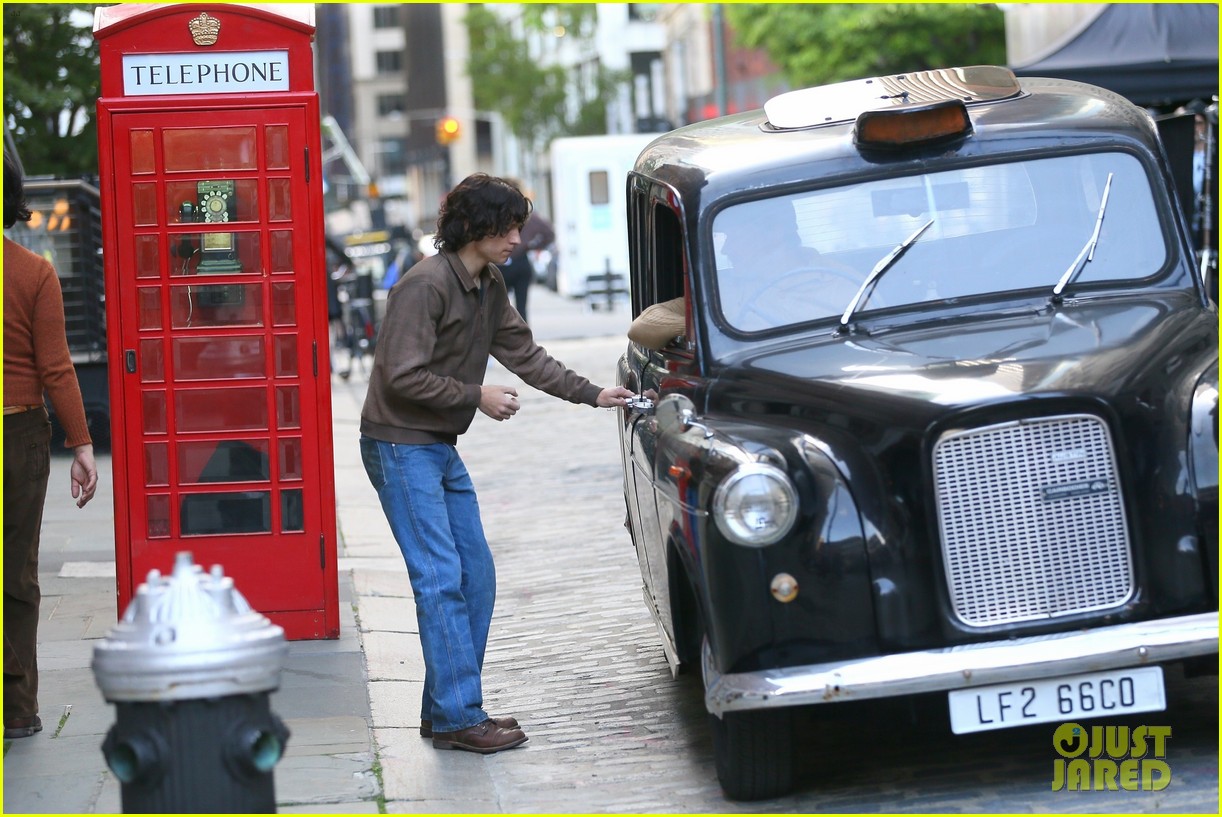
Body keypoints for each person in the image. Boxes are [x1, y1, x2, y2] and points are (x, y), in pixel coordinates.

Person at [359, 173, 633, 754]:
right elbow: (398, 375)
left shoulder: (489, 283)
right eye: (508, 226)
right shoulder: (424, 286)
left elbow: (524, 354)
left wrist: (592, 394)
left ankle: (448, 708)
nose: (517, 237)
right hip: (400, 443)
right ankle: (460, 716)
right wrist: (474, 394)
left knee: (474, 575)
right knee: (439, 578)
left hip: (436, 444)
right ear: (477, 227)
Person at [3, 151, 99, 739]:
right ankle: (16, 710)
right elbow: (57, 368)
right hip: (18, 436)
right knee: (15, 573)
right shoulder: (34, 273)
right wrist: (81, 443)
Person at [496, 208, 554, 323]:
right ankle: (519, 337)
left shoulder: (502, 214)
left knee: (501, 307)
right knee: (515, 307)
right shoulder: (527, 216)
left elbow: (549, 234)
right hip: (512, 262)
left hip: (512, 263)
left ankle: (516, 337)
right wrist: (531, 245)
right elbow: (549, 233)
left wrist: (532, 246)